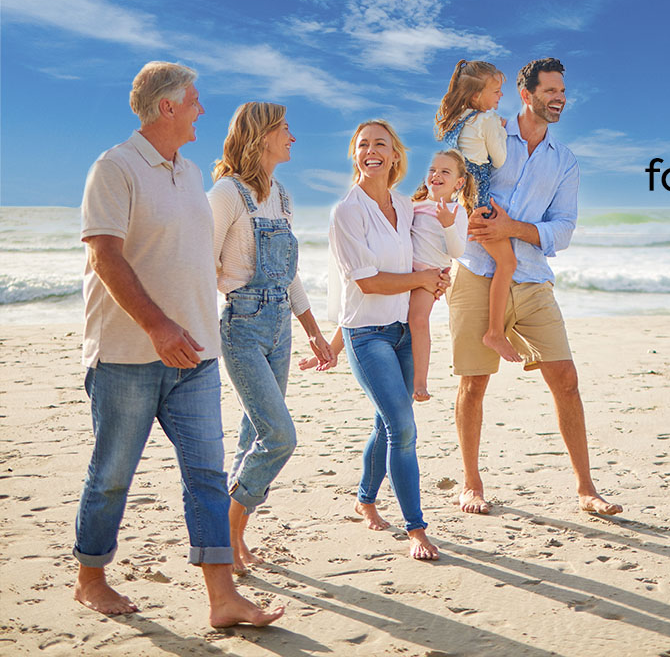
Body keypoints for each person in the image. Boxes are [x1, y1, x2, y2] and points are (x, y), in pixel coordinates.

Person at [74, 61, 283, 626]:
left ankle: (222, 599)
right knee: (113, 471)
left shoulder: (191, 174)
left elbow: (202, 258)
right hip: (127, 358)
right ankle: (90, 577)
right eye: (194, 100)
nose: (201, 110)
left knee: (207, 475)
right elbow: (105, 256)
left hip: (198, 356)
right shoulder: (114, 168)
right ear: (168, 106)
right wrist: (158, 327)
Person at [448, 58, 621, 517]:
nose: (559, 97)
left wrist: (511, 227)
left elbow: (562, 229)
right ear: (526, 95)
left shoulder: (564, 161)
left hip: (531, 280)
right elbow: (452, 183)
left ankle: (586, 488)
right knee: (475, 382)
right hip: (476, 275)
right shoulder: (486, 133)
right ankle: (471, 483)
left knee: (566, 379)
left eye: (562, 90)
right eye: (550, 90)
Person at [209, 102, 335, 574]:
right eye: (285, 129)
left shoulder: (281, 195)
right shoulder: (226, 194)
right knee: (280, 436)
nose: (293, 137)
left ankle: (234, 538)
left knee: (253, 434)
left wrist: (313, 331)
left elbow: (289, 274)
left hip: (280, 322)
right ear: (261, 136)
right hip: (241, 326)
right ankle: (226, 525)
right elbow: (203, 263)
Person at [326, 120, 449, 560]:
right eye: (363, 145)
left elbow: (433, 247)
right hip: (367, 336)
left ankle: (365, 498)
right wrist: (422, 277)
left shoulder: (405, 205)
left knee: (385, 422)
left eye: (381, 144)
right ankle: (416, 529)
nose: (371, 151)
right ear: (354, 154)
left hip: (404, 334)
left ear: (396, 155)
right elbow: (369, 283)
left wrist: (439, 276)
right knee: (402, 427)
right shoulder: (347, 212)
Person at [436, 61, 521, 363]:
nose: (500, 97)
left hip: (459, 204)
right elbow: (499, 160)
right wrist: (498, 131)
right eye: (496, 91)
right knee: (507, 262)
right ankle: (494, 332)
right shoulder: (486, 120)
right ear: (476, 95)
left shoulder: (455, 121)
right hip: (479, 204)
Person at [408, 150, 474, 401]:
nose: (436, 175)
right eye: (433, 169)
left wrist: (447, 224)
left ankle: (420, 382)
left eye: (445, 172)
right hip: (404, 271)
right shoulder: (414, 206)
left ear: (459, 183)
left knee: (418, 320)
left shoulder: (457, 212)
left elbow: (457, 251)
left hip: (429, 275)